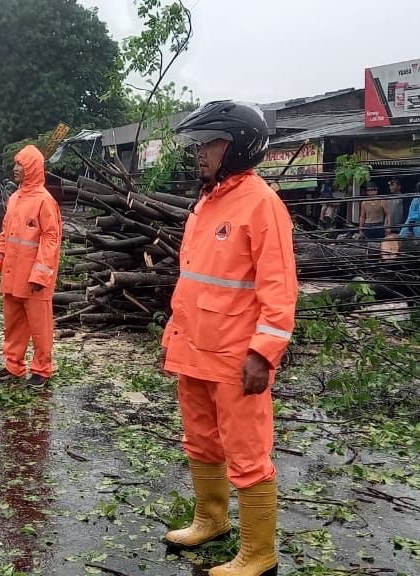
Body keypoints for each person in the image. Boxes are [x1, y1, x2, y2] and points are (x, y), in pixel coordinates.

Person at [159, 101, 297, 576]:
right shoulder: (208, 201)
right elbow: (195, 277)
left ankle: (260, 555)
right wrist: (174, 330)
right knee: (200, 441)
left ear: (237, 146)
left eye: (210, 142)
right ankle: (210, 520)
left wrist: (264, 353)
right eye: (199, 143)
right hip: (194, 348)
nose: (200, 151)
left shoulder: (262, 204)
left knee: (247, 453)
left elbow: (279, 289)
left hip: (237, 357)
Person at [0, 145, 61, 388]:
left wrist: (41, 274)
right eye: (16, 164)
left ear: (32, 169)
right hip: (12, 274)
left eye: (21, 165)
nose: (16, 168)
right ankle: (13, 365)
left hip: (34, 279)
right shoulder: (15, 198)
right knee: (13, 323)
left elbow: (51, 240)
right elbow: (6, 234)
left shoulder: (44, 201)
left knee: (40, 327)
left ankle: (42, 368)